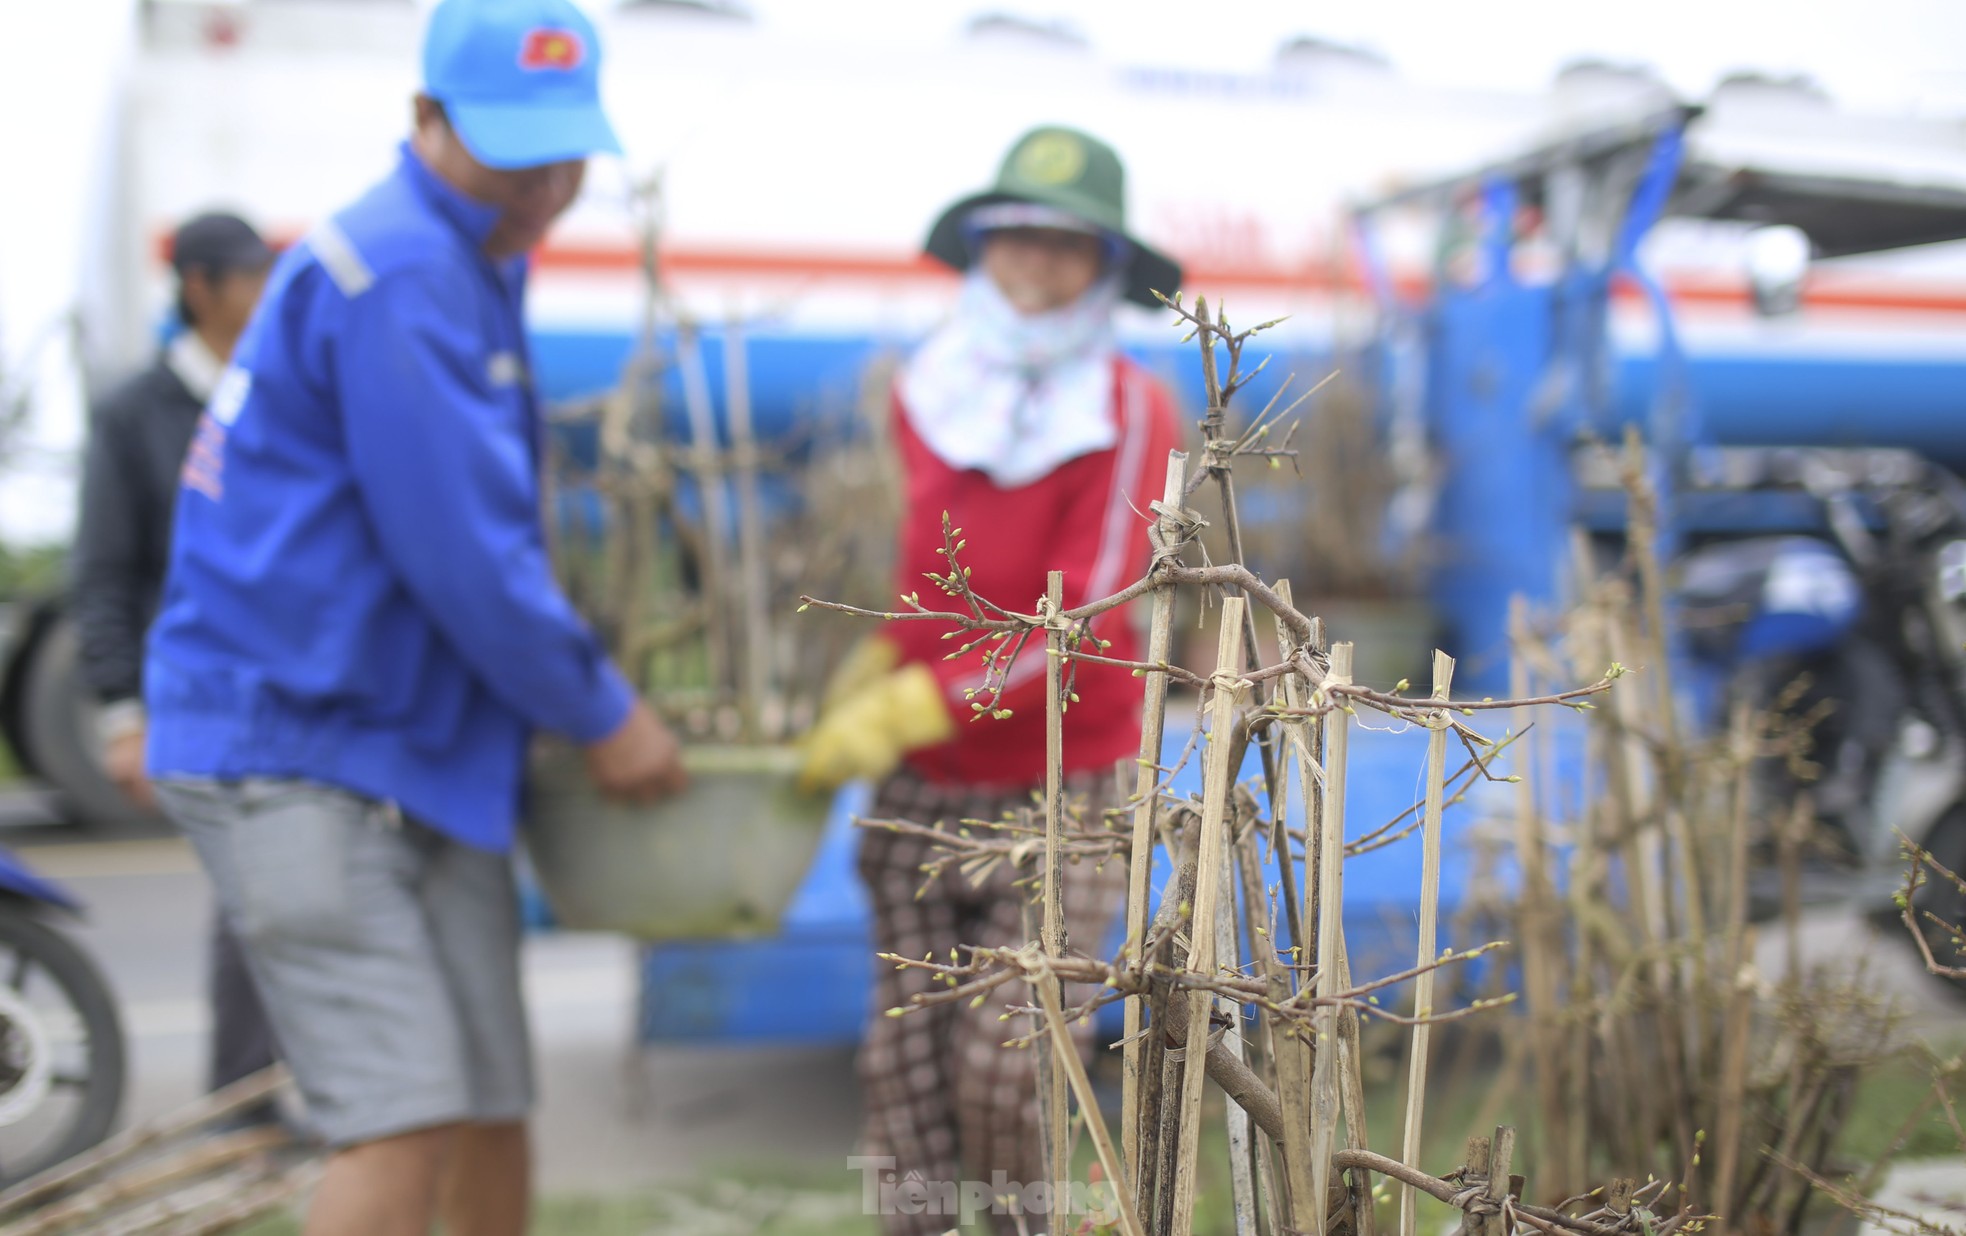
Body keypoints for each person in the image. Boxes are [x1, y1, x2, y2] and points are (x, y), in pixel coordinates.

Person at [142, 2, 686, 1233]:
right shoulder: (401, 271)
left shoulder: (472, 250)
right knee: (400, 1114)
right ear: (425, 122)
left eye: (565, 152)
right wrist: (605, 714)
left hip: (407, 749)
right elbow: (466, 558)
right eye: (513, 149)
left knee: (489, 1096)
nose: (547, 185)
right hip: (298, 748)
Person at [798, 125, 1184, 1236]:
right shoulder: (929, 385)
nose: (1035, 266)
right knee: (903, 1074)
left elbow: (1092, 620)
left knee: (1010, 1068)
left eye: (1066, 246)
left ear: (1104, 266)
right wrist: (882, 666)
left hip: (1061, 784)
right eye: (1015, 236)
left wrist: (925, 699)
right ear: (982, 246)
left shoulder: (1126, 408)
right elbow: (921, 570)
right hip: (923, 784)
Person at [71, 210, 280, 1105]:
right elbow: (106, 569)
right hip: (191, 689)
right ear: (200, 287)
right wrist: (124, 713)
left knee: (278, 895)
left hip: (282, 687)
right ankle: (243, 1097)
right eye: (249, 276)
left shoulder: (275, 393)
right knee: (249, 895)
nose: (266, 292)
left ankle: (259, 1089)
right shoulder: (138, 414)